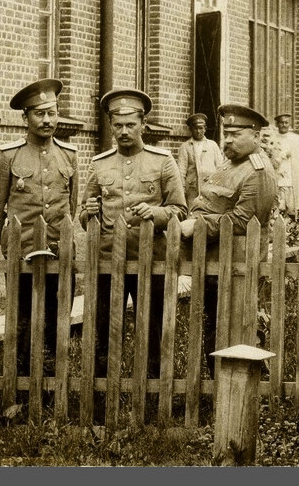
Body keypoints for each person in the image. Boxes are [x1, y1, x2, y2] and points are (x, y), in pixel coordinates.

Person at [81, 89, 186, 392]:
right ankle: (101, 393)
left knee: (151, 329)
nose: (124, 132)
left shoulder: (163, 162)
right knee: (104, 328)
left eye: (130, 125)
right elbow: (83, 214)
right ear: (111, 126)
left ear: (143, 124)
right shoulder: (99, 164)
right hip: (106, 260)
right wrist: (88, 212)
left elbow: (180, 209)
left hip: (150, 259)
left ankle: (151, 393)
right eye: (117, 125)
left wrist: (155, 212)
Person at [0, 78, 79, 375]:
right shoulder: (8, 156)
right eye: (39, 113)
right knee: (22, 321)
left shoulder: (69, 154)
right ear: (25, 118)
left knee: (57, 318)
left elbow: (70, 207)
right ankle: (21, 383)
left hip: (59, 253)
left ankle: (51, 384)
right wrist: (12, 245)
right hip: (23, 253)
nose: (47, 119)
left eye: (52, 112)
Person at [180, 104, 278, 369]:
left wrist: (196, 226)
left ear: (256, 136)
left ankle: (243, 390)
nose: (229, 139)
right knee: (216, 329)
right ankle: (218, 392)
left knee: (234, 333)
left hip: (237, 267)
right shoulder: (232, 163)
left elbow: (244, 221)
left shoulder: (257, 172)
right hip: (217, 263)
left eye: (236, 133)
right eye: (227, 133)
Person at [176, 112, 224, 204]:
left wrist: (219, 187)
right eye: (195, 129)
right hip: (192, 189)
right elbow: (181, 171)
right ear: (191, 129)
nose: (198, 131)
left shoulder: (213, 145)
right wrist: (182, 190)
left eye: (201, 128)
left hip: (210, 188)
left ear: (205, 129)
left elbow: (220, 168)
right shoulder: (185, 147)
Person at [274, 113, 299, 218]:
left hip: (292, 177)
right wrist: (281, 156)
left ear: (289, 124)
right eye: (281, 122)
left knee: (293, 208)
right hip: (278, 177)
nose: (284, 125)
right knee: (278, 207)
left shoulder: (295, 139)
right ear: (277, 124)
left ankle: (293, 230)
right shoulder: (273, 139)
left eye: (286, 122)